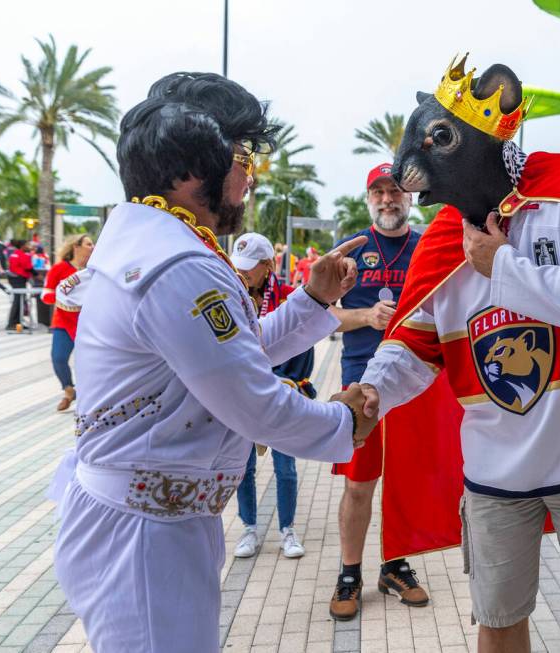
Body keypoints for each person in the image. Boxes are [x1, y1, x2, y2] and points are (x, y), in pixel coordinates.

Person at [49, 71, 376, 653]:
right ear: (190, 169)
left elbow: (223, 361)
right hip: (145, 537)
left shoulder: (158, 243)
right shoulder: (178, 263)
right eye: (243, 157)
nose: (251, 177)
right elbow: (254, 402)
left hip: (147, 520)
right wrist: (343, 421)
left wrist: (312, 301)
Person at [361, 55, 560, 653]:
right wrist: (371, 391)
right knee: (496, 618)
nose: (404, 172)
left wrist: (506, 270)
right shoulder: (443, 237)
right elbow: (414, 343)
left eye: (439, 140)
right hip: (494, 476)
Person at [327, 163, 426, 621]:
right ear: (369, 199)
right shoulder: (350, 249)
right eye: (379, 192)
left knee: (405, 480)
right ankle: (350, 572)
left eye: (395, 192)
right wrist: (366, 317)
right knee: (359, 482)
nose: (388, 200)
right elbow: (323, 315)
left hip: (410, 384)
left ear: (408, 197)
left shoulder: (426, 247)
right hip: (358, 381)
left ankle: (395, 565)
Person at [230, 232, 313, 559]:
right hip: (242, 397)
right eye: (239, 266)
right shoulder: (229, 298)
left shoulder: (290, 297)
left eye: (249, 268)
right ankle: (249, 528)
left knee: (285, 467)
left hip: (282, 394)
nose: (243, 273)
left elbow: (304, 345)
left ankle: (287, 529)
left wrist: (290, 385)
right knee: (243, 466)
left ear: (268, 266)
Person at [42, 234, 94, 412]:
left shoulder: (93, 270)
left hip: (88, 324)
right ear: (76, 247)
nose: (92, 247)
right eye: (88, 244)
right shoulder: (59, 269)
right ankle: (68, 390)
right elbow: (45, 294)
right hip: (63, 323)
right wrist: (63, 298)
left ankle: (88, 396)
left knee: (89, 362)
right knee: (58, 358)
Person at [6, 240, 33, 330]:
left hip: (16, 279)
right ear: (22, 246)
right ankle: (11, 324)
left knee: (20, 301)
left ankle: (18, 323)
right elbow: (28, 267)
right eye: (28, 245)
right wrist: (37, 275)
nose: (29, 246)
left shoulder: (15, 253)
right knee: (18, 301)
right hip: (18, 279)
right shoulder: (22, 255)